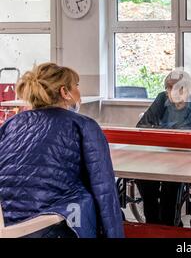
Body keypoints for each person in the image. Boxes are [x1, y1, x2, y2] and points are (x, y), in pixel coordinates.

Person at [0, 63, 124, 238]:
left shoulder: (12, 123)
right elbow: (104, 190)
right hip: (48, 226)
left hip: (6, 222)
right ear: (65, 92)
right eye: (77, 86)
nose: (79, 93)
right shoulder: (83, 125)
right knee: (85, 199)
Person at [135, 70, 191, 226]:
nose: (173, 93)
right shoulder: (162, 99)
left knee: (171, 182)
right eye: (169, 89)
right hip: (160, 155)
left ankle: (169, 224)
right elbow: (142, 125)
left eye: (179, 89)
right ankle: (153, 222)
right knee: (144, 178)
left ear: (189, 90)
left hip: (187, 157)